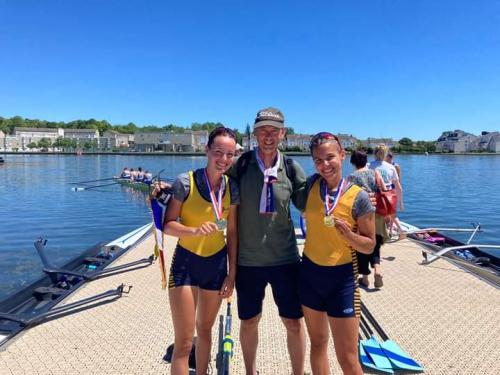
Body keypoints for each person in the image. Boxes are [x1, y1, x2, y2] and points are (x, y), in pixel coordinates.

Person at [227, 107, 307, 375]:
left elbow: (312, 203)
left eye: (274, 130)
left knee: (294, 323)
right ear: (255, 133)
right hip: (248, 261)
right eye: (263, 130)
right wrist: (174, 190)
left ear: (283, 134)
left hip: (285, 259)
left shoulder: (292, 168)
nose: (268, 136)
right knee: (249, 321)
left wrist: (353, 199)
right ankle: (251, 371)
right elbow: (215, 192)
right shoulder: (241, 165)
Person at [164, 127, 239, 375]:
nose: (224, 159)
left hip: (216, 265)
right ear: (207, 150)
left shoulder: (232, 187)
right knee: (185, 342)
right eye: (218, 152)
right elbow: (168, 225)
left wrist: (232, 274)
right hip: (186, 263)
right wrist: (193, 231)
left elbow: (233, 233)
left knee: (205, 333)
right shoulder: (185, 182)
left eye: (230, 154)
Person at [301, 133, 375, 374]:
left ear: (342, 156)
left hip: (342, 281)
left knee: (347, 357)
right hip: (310, 275)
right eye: (318, 160)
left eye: (330, 158)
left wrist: (350, 236)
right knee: (318, 345)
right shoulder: (311, 185)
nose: (325, 165)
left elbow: (369, 245)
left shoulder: (359, 197)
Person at [368, 144, 403, 286]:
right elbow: (398, 187)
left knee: (370, 235)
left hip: (372, 202)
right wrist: (399, 204)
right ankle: (376, 261)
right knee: (381, 236)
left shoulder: (369, 165)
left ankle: (372, 267)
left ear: (374, 153)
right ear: (386, 153)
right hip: (387, 202)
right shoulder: (391, 167)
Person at [349, 150, 384, 289]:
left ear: (353, 162)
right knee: (375, 243)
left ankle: (365, 278)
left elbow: (347, 194)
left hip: (362, 215)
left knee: (362, 245)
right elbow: (383, 188)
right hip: (376, 213)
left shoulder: (352, 176)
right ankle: (378, 269)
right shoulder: (374, 172)